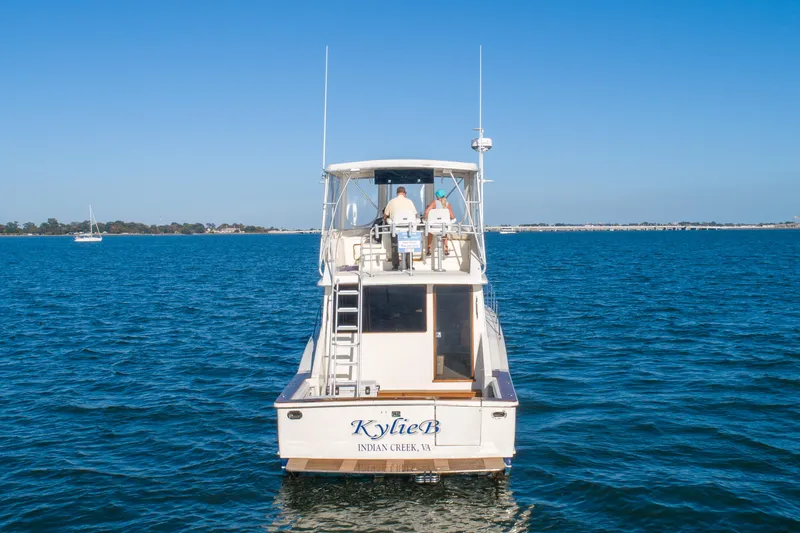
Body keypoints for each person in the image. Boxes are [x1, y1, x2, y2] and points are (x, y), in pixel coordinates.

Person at [383, 186, 418, 270]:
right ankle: (409, 265)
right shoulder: (409, 202)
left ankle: (395, 265)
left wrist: (385, 219)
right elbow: (415, 214)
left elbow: (385, 215)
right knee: (409, 246)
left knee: (394, 245)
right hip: (408, 229)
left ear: (397, 193)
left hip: (396, 229)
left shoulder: (392, 202)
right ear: (404, 193)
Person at [424, 189, 455, 255]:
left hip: (434, 227)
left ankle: (429, 248)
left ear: (438, 196)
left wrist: (425, 217)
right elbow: (452, 217)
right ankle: (446, 248)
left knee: (430, 231)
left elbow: (426, 211)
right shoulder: (448, 205)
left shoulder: (434, 203)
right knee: (444, 231)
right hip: (443, 228)